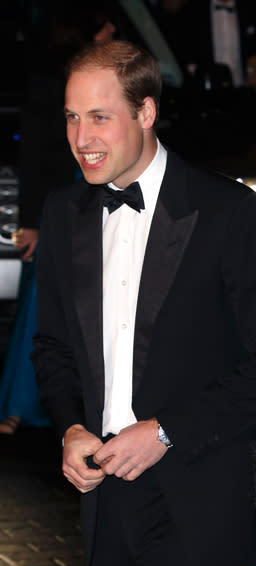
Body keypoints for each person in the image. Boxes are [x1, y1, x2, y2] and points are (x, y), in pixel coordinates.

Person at [31, 39, 256, 566]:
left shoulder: (229, 213)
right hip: (106, 500)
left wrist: (163, 431)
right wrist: (72, 427)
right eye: (72, 118)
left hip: (194, 492)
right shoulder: (63, 213)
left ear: (147, 111)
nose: (82, 137)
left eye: (100, 117)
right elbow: (52, 348)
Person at [0, 1, 116, 435]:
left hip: (89, 190)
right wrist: (31, 220)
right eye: (105, 27)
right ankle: (20, 404)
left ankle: (37, 405)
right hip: (64, 198)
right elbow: (36, 152)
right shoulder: (54, 79)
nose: (111, 34)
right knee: (42, 299)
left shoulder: (90, 78)